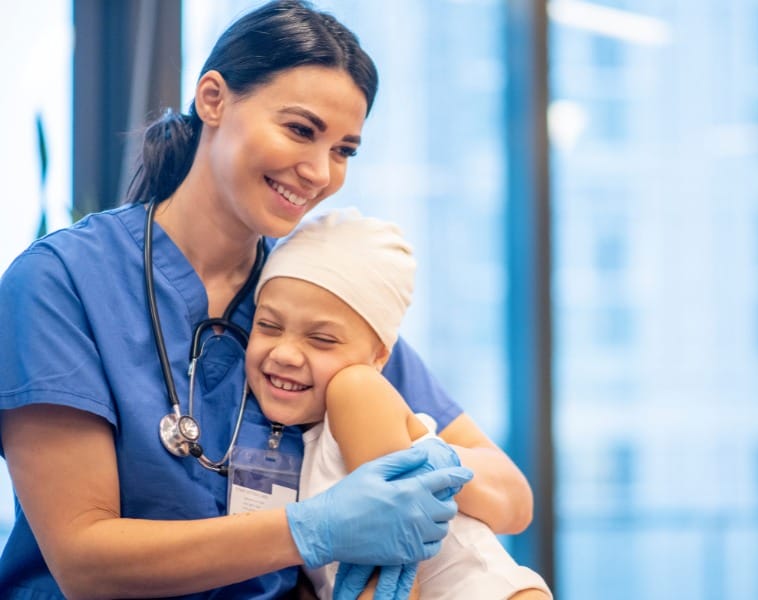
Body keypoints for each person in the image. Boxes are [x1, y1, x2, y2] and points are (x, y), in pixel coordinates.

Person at [0, 1, 532, 598]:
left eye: (343, 150)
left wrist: (422, 469)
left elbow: (510, 495)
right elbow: (85, 561)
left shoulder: (312, 296)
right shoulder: (62, 284)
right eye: (301, 130)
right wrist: (314, 528)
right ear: (213, 99)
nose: (319, 171)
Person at [245, 207, 552, 600]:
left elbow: (397, 551)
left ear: (380, 357)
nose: (286, 353)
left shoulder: (356, 391)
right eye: (268, 326)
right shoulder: (308, 441)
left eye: (322, 339)